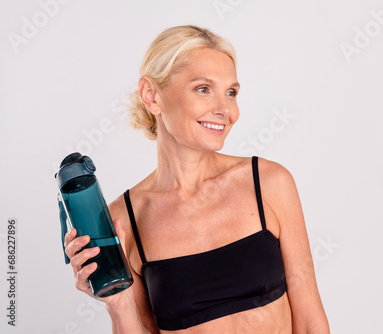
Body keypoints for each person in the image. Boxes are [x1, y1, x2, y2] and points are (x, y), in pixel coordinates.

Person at [64, 25, 329, 333]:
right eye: (203, 89)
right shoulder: (123, 219)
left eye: (231, 93)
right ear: (151, 96)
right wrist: (118, 303)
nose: (225, 109)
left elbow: (311, 322)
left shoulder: (269, 183)